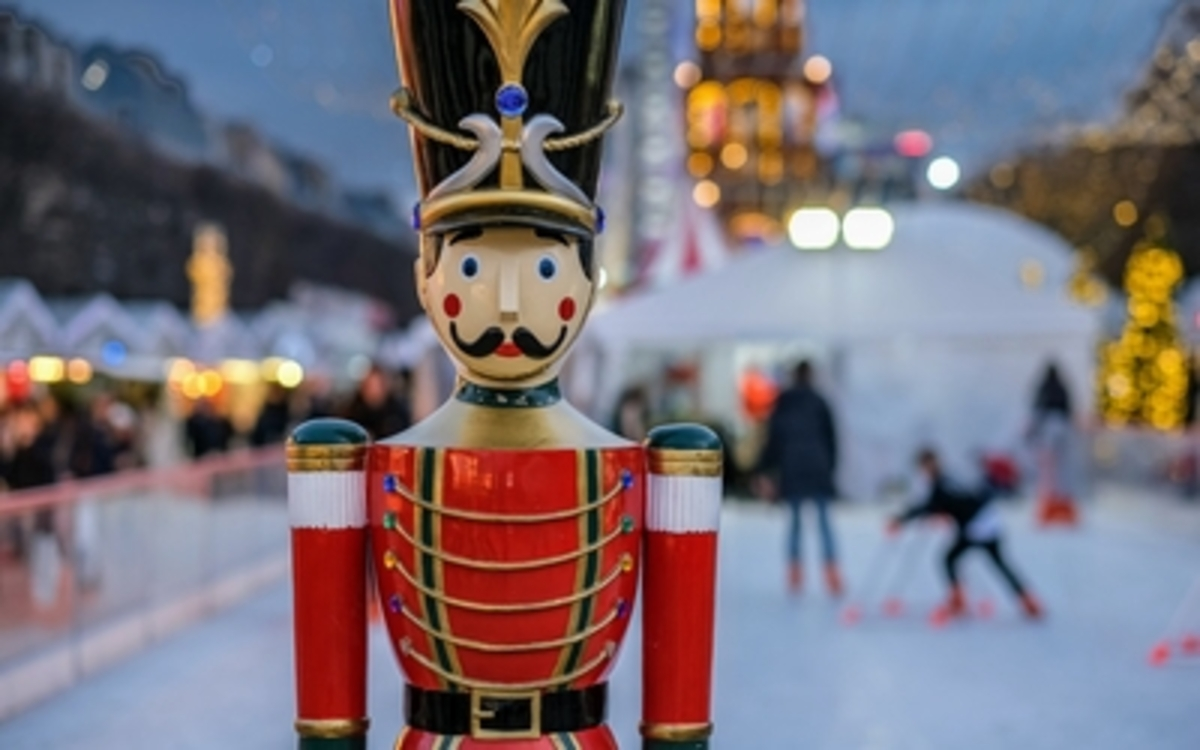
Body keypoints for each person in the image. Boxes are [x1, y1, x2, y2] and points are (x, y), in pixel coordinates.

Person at [889, 447, 1043, 620]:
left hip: (975, 525)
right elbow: (958, 500)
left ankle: (958, 600)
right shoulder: (951, 478)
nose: (926, 469)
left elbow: (929, 506)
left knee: (950, 558)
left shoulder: (941, 484)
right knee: (997, 563)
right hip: (989, 520)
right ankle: (1028, 600)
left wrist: (900, 520)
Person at [755, 360, 842, 595]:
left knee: (794, 524)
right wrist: (830, 468)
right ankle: (832, 574)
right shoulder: (820, 401)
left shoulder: (784, 402)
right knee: (824, 523)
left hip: (792, 468)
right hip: (818, 468)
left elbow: (773, 439)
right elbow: (832, 439)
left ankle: (795, 575)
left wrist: (763, 469)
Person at [1028, 362, 1078, 524]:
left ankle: (1056, 503)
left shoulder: (1045, 388)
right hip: (1060, 427)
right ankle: (1057, 502)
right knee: (1058, 469)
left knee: (1051, 468)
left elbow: (1038, 409)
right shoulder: (1061, 387)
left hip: (1051, 427)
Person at [343, 365, 410, 440]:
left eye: (376, 386)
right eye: (369, 386)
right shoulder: (353, 411)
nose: (373, 391)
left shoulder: (396, 411)